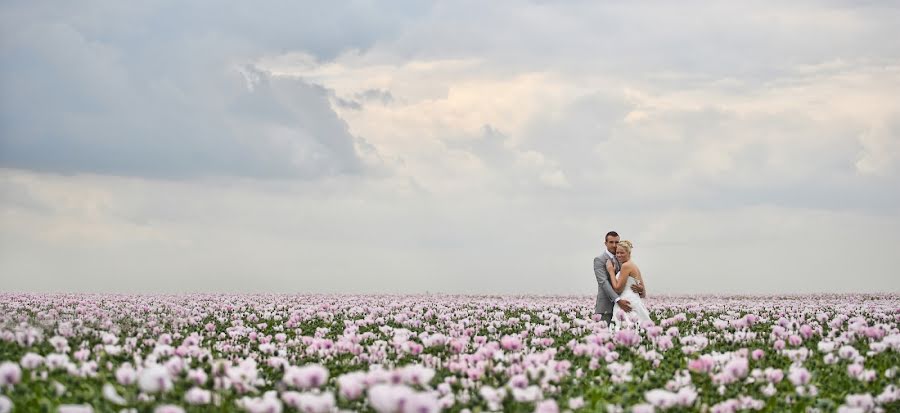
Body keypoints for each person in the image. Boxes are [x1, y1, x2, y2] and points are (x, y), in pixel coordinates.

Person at [594, 231, 644, 323]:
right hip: (607, 306)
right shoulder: (599, 260)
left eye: (616, 242)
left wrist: (639, 287)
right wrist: (618, 300)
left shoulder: (622, 258)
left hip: (625, 302)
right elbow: (603, 282)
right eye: (611, 242)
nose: (614, 245)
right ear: (605, 243)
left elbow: (632, 278)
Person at [608, 240, 651, 325]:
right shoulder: (634, 266)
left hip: (625, 302)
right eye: (617, 253)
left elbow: (617, 289)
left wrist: (611, 272)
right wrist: (640, 289)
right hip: (635, 301)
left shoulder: (626, 266)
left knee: (624, 327)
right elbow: (643, 293)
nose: (619, 255)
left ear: (628, 253)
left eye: (622, 253)